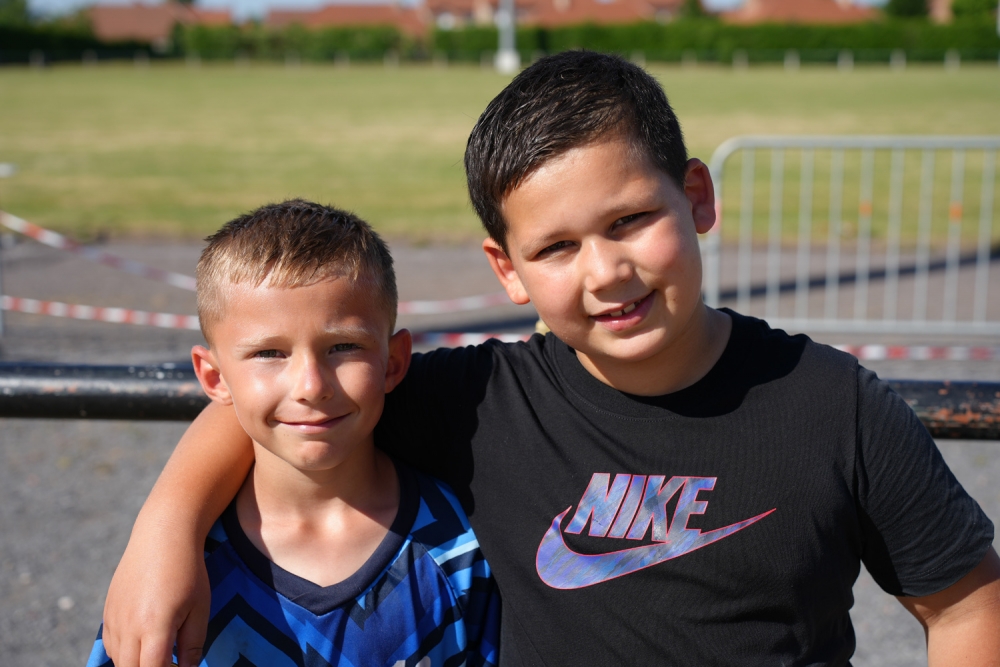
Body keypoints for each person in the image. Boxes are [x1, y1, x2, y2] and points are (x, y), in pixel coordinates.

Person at [102, 52, 1000, 666]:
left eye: (629, 221)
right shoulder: (480, 399)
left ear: (696, 197)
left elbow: (964, 604)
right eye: (558, 247)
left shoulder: (834, 404)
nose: (606, 272)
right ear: (509, 269)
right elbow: (290, 402)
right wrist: (165, 530)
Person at [86, 200, 500, 667]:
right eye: (269, 353)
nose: (311, 386)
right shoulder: (169, 573)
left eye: (344, 346)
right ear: (214, 377)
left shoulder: (458, 547)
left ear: (395, 362)